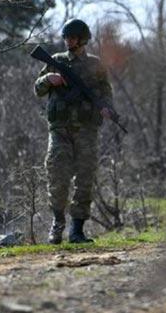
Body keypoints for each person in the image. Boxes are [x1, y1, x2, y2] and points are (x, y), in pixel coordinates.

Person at [34, 18, 113, 244]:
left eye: (73, 38)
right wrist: (48, 78)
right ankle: (57, 224)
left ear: (83, 39)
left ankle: (77, 230)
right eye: (66, 38)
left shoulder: (96, 65)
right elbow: (37, 89)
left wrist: (107, 109)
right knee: (57, 176)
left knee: (85, 179)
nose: (68, 41)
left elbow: (106, 93)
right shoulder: (56, 61)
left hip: (87, 130)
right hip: (59, 130)